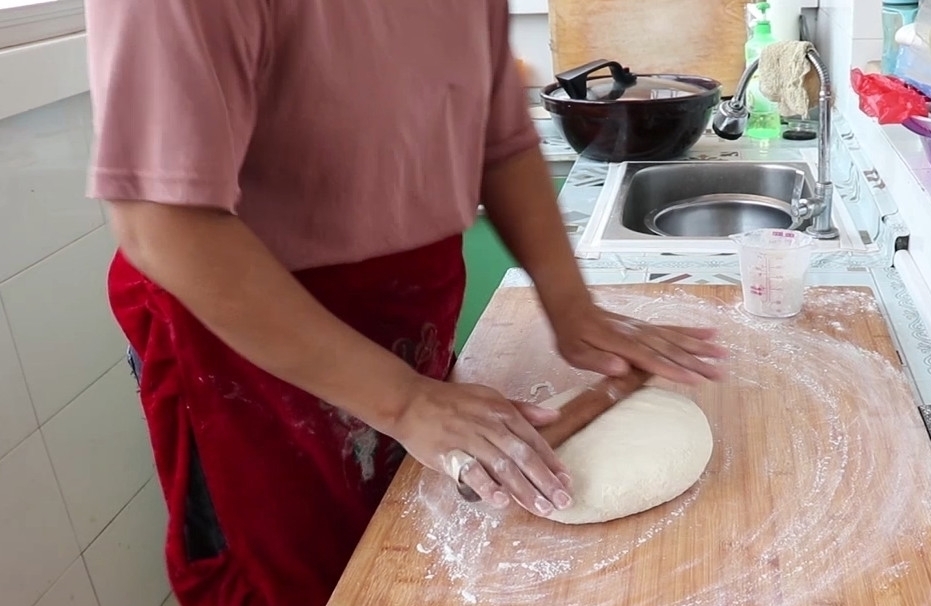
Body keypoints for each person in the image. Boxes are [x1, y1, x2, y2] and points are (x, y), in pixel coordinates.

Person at [82, 1, 727, 604]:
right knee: (297, 578)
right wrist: (403, 400)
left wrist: (571, 305)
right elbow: (162, 222)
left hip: (406, 314)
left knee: (401, 550)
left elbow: (498, 140)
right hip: (246, 345)